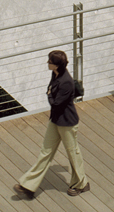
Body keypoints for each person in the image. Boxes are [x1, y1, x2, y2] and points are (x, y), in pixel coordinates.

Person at [14, 51, 89, 198]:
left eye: (50, 62)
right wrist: (50, 93)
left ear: (56, 65)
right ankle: (29, 186)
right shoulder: (55, 74)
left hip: (67, 122)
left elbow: (56, 103)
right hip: (55, 120)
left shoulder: (66, 81)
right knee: (45, 152)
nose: (47, 63)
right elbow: (53, 96)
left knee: (73, 153)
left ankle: (81, 183)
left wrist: (49, 94)